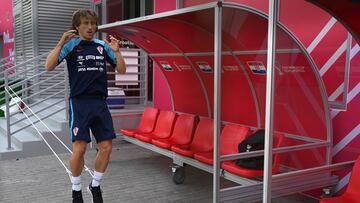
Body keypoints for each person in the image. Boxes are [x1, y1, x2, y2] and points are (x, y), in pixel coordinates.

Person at [45, 9, 126, 203]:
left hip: (100, 103)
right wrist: (60, 43)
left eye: (93, 23)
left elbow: (122, 70)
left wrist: (116, 51)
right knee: (79, 149)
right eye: (85, 23)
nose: (91, 27)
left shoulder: (101, 46)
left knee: (106, 147)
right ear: (77, 27)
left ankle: (95, 185)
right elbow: (48, 66)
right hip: (80, 103)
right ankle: (75, 190)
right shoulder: (71, 46)